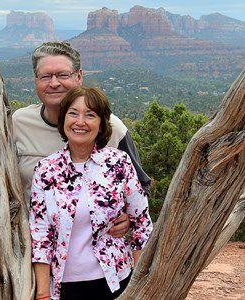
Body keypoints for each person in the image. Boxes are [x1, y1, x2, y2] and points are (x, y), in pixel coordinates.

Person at [12, 41, 151, 237]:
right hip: (33, 245)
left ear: (79, 77)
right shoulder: (19, 123)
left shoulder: (111, 127)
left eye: (62, 75)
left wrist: (129, 217)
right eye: (45, 76)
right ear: (36, 80)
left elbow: (141, 185)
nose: (54, 83)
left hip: (96, 251)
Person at [29, 87, 153, 300]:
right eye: (73, 113)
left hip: (116, 282)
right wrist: (42, 294)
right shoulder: (46, 169)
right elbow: (40, 234)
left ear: (102, 124)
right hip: (63, 287)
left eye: (90, 115)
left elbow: (142, 225)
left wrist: (141, 286)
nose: (80, 121)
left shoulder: (119, 163)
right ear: (64, 119)